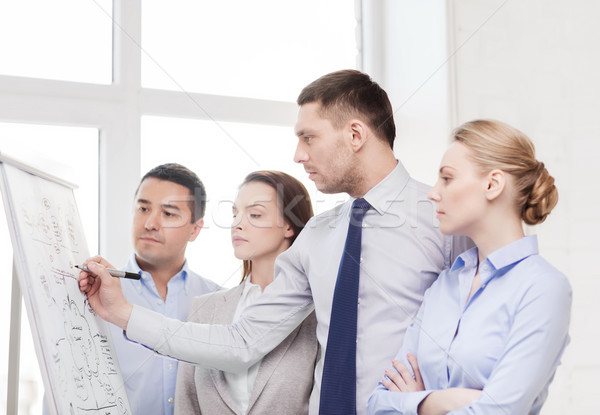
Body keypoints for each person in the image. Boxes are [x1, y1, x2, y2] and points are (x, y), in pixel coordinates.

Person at [78, 69, 470, 415]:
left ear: (355, 134)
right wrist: (124, 313)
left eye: (308, 137)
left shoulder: (445, 219)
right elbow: (242, 340)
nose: (298, 155)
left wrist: (436, 400)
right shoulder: (317, 238)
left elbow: (485, 335)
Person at [367, 120, 572, 415]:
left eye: (447, 179)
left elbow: (498, 411)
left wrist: (417, 401)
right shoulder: (444, 285)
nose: (433, 193)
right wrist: (443, 400)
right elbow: (377, 404)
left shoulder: (544, 288)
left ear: (492, 185)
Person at [174, 170, 318, 414]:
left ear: (289, 226)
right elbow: (186, 403)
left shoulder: (317, 314)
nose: (237, 224)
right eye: (235, 213)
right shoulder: (205, 308)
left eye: (254, 214)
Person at [105, 163, 221, 415]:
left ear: (195, 229)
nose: (150, 223)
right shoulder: (97, 294)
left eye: (168, 214)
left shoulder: (219, 301)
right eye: (143, 208)